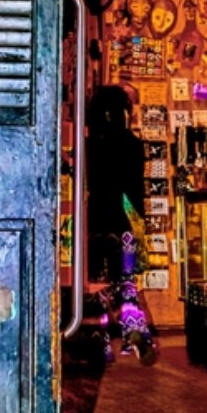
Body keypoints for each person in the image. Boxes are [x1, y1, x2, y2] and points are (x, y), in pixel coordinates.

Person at [86, 85, 145, 286]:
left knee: (91, 275)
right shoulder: (133, 146)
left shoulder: (87, 144)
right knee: (121, 281)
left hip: (91, 219)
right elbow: (135, 194)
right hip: (121, 222)